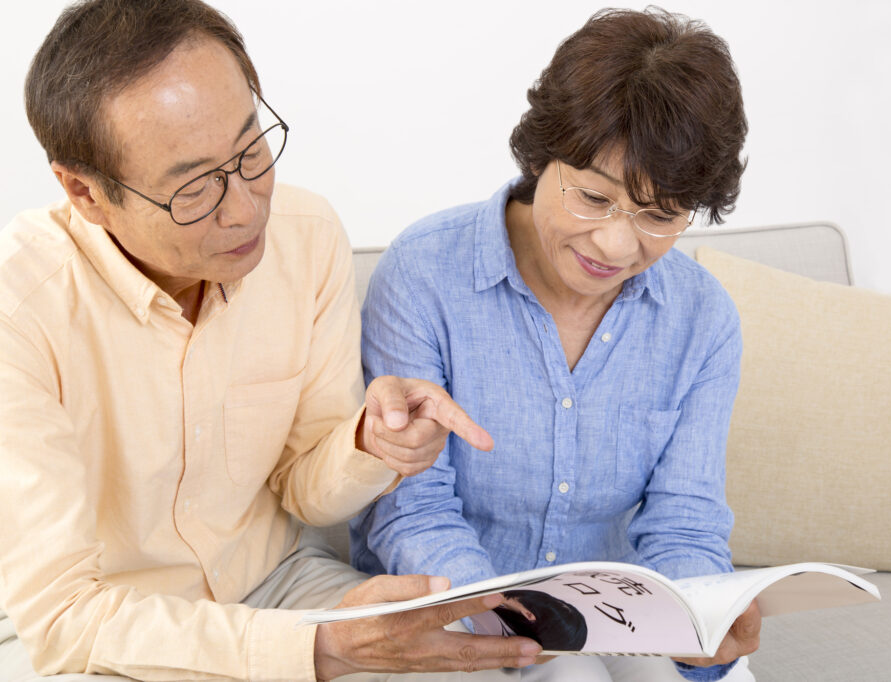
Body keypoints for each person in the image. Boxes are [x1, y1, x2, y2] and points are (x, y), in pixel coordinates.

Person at [0, 1, 543, 680]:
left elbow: (301, 490)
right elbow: (63, 620)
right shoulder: (19, 309)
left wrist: (370, 444)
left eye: (252, 149)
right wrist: (315, 649)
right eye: (195, 188)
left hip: (280, 587)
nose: (246, 207)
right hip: (117, 628)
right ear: (84, 192)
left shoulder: (306, 235)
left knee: (466, 666)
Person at [351, 7, 760, 681]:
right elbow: (413, 513)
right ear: (542, 157)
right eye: (594, 199)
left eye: (660, 217)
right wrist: (504, 616)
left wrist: (703, 624)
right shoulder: (425, 273)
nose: (616, 245)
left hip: (621, 613)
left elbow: (684, 525)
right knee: (568, 674)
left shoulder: (702, 317)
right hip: (457, 603)